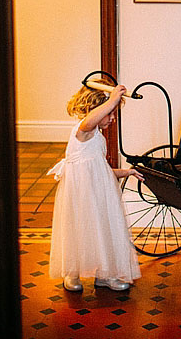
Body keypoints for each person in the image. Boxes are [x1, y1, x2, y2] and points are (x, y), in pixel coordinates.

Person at [47, 80, 143, 292]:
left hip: (98, 194)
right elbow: (89, 122)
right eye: (110, 113)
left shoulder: (97, 137)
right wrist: (113, 99)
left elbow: (101, 170)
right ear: (96, 109)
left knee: (102, 230)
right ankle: (72, 273)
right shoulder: (83, 131)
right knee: (78, 230)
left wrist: (125, 172)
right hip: (81, 195)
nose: (112, 117)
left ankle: (104, 273)